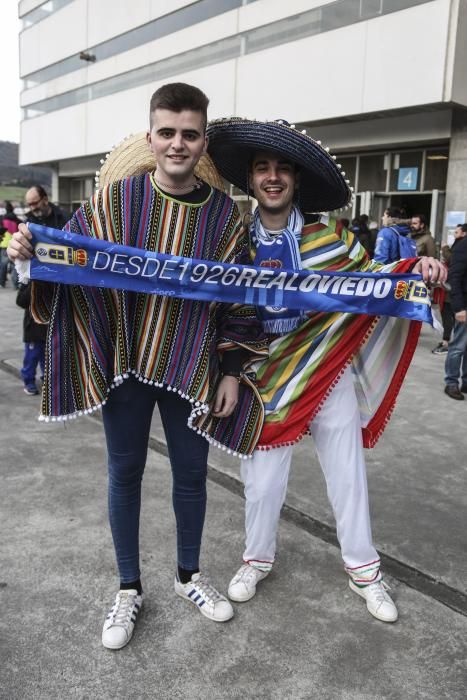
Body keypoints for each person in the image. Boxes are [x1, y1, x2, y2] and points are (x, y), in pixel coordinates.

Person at [7, 83, 266, 650]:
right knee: (124, 474)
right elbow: (65, 261)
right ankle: (128, 588)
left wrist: (229, 371)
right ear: (149, 137)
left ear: (203, 141)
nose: (178, 144)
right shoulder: (113, 203)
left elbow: (240, 300)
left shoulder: (225, 217)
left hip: (192, 363)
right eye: (167, 132)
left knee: (191, 476)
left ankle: (189, 576)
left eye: (190, 134)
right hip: (125, 361)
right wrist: (30, 256)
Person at [205, 118, 445, 623]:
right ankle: (257, 558)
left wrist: (414, 270)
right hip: (262, 377)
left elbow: (373, 278)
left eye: (282, 169)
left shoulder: (331, 236)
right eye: (263, 168)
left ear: (295, 179)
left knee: (347, 474)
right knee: (262, 483)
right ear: (250, 179)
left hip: (326, 370)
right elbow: (215, 305)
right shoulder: (232, 242)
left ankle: (364, 570)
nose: (273, 177)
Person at [444, 224, 467, 400]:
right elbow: (455, 277)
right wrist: (459, 307)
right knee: (458, 346)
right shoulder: (463, 245)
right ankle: (451, 382)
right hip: (464, 305)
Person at [16, 281, 47, 395]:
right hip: (33, 327)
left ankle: (47, 381)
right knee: (32, 356)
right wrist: (33, 285)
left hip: (49, 326)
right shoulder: (27, 279)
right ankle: (29, 381)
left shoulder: (54, 279)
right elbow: (21, 301)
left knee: (48, 358)